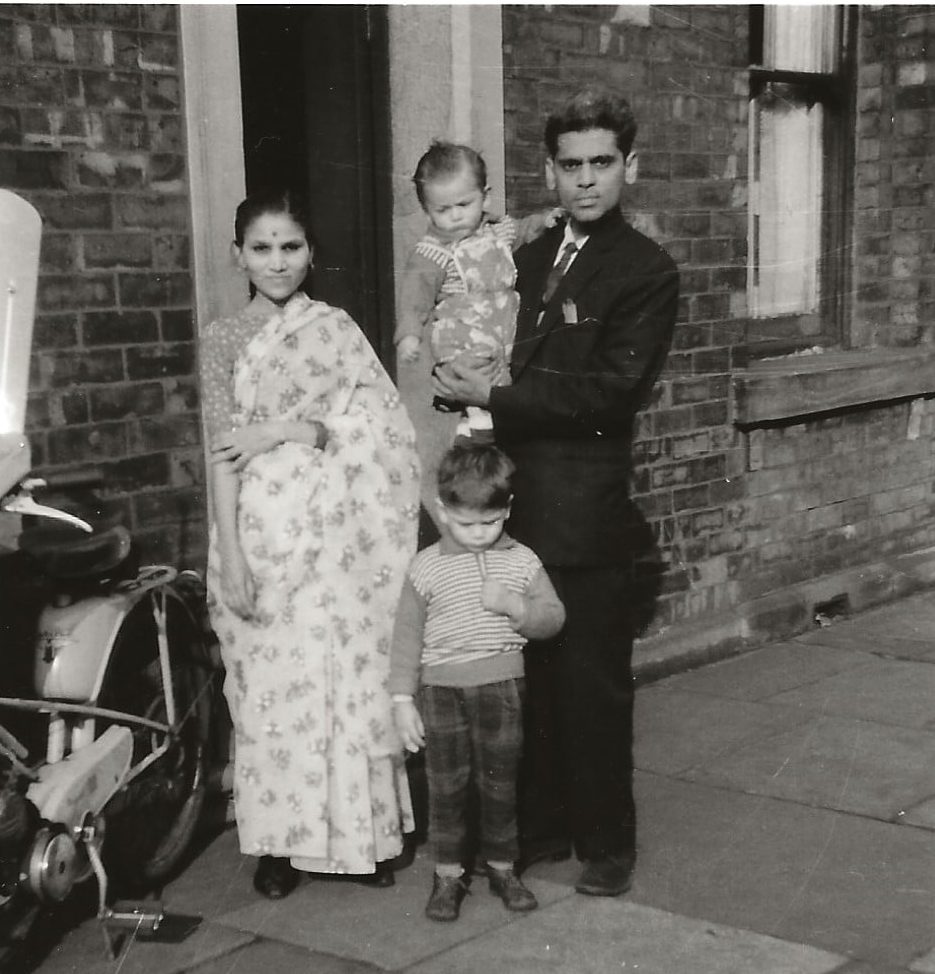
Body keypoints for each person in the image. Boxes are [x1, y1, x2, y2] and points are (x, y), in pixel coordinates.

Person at [433, 87, 680, 898]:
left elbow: (606, 394)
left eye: (600, 163)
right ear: (547, 172)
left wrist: (493, 395)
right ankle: (538, 828)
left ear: (628, 168)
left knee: (592, 687)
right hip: (506, 511)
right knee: (521, 685)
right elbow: (469, 330)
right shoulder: (523, 256)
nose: (584, 180)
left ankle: (607, 842)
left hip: (582, 518)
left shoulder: (644, 271)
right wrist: (452, 377)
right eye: (569, 165)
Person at [200, 188, 421, 899]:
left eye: (290, 246)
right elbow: (218, 454)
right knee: (270, 689)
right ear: (238, 255)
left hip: (340, 538)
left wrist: (285, 431)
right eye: (261, 248)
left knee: (349, 679)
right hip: (261, 539)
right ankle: (278, 844)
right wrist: (230, 554)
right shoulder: (224, 340)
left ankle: (364, 839)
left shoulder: (336, 330)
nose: (276, 261)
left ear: (311, 253)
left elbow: (383, 430)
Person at [389, 443, 565, 922]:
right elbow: (406, 638)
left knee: (500, 784)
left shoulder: (522, 561)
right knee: (446, 787)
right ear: (444, 512)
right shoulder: (426, 566)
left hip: (501, 688)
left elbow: (553, 617)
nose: (480, 535)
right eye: (466, 524)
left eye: (490, 522)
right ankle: (448, 875)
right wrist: (403, 701)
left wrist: (515, 607)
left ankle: (503, 868)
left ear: (506, 509)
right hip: (440, 691)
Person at [396, 141, 558, 441]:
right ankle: (476, 419)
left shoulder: (497, 231)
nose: (456, 216)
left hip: (501, 327)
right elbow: (414, 296)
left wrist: (543, 222)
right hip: (463, 335)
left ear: (484, 198)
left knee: (505, 372)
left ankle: (484, 420)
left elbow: (522, 230)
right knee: (475, 369)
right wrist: (409, 335)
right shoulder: (433, 252)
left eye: (464, 205)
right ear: (427, 211)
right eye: (443, 210)